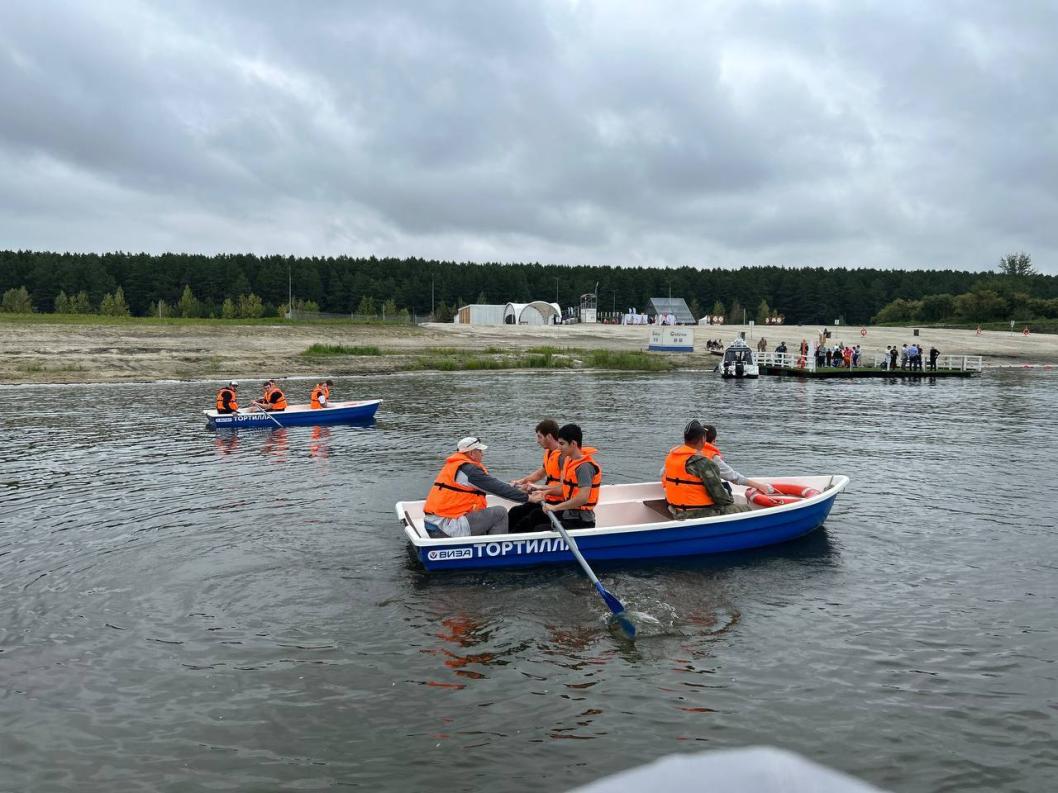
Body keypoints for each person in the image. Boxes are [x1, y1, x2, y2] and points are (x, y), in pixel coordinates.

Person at [422, 437, 537, 538]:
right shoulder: (470, 471)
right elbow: (497, 488)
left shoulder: (456, 466)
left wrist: (516, 487)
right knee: (500, 513)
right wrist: (528, 498)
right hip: (445, 527)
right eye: (480, 451)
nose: (483, 454)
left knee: (481, 510)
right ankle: (497, 551)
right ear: (471, 453)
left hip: (434, 523)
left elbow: (490, 484)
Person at [662, 421, 774, 519]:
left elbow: (665, 477)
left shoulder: (672, 456)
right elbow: (721, 498)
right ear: (702, 439)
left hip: (674, 508)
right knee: (745, 509)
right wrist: (729, 499)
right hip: (694, 513)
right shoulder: (702, 462)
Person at [508, 419, 565, 533]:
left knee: (530, 519)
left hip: (558, 502)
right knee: (515, 512)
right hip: (546, 498)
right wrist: (522, 481)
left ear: (549, 436)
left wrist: (537, 487)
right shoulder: (549, 453)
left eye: (539, 437)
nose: (537, 441)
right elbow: (540, 473)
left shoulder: (562, 456)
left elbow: (563, 487)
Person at [541, 424, 601, 530]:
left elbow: (582, 499)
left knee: (539, 528)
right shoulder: (569, 461)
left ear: (573, 443)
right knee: (534, 517)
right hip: (569, 514)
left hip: (581, 521)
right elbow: (564, 489)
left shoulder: (584, 467)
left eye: (562, 444)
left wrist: (555, 507)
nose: (558, 448)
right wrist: (545, 492)